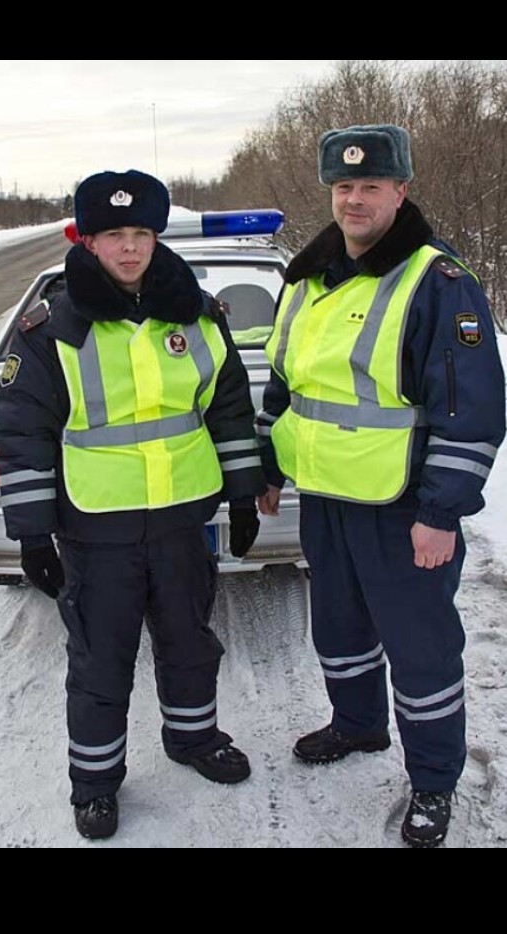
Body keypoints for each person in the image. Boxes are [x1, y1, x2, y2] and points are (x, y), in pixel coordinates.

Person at [0, 169, 266, 840]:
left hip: (181, 521)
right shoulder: (50, 327)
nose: (129, 248)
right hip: (96, 527)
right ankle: (94, 783)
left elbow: (227, 407)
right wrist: (32, 536)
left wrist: (241, 496)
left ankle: (193, 740)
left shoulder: (198, 317)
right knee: (100, 661)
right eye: (113, 234)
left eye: (140, 233)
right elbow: (21, 432)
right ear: (88, 241)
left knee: (189, 644)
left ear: (155, 236)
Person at [257, 124, 506, 848]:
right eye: (343, 187)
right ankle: (357, 724)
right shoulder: (308, 280)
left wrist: (439, 512)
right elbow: (287, 381)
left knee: (420, 649)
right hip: (326, 497)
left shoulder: (437, 282)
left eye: (370, 186)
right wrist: (272, 464)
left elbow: (471, 411)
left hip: (402, 508)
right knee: (338, 629)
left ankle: (432, 781)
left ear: (400, 191)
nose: (354, 198)